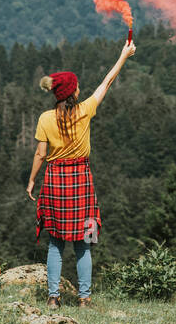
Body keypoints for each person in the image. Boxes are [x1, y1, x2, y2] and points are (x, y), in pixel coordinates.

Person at [27, 41, 135, 308]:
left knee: (55, 242)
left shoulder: (45, 118)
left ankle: (53, 298)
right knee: (84, 243)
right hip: (81, 181)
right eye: (76, 85)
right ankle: (84, 299)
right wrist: (124, 55)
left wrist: (31, 181)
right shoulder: (85, 110)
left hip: (54, 181)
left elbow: (40, 154)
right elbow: (107, 82)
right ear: (73, 92)